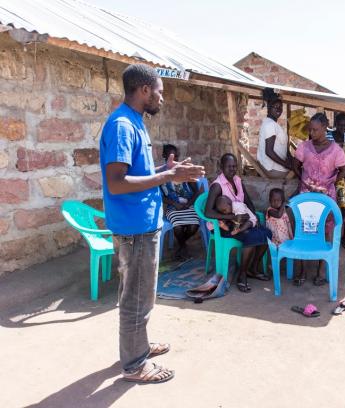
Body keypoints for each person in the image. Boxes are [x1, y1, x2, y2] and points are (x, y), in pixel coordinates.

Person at [100, 64, 205, 384]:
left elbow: (136, 172)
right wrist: (168, 176)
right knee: (135, 297)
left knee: (141, 293)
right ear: (144, 90)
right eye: (160, 91)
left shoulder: (134, 122)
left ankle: (139, 346)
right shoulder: (121, 125)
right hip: (134, 228)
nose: (163, 98)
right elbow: (116, 183)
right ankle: (134, 365)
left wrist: (164, 168)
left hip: (142, 223)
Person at [293, 113, 345, 286]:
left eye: (316, 130)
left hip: (326, 197)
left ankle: (320, 270)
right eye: (310, 129)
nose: (312, 132)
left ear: (325, 128)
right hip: (306, 196)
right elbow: (296, 165)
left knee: (325, 231)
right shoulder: (304, 146)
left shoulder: (336, 150)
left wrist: (331, 181)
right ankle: (301, 270)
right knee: (303, 229)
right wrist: (303, 180)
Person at [205, 153, 272, 293]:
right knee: (250, 236)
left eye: (234, 166)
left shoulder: (237, 180)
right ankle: (242, 274)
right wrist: (230, 217)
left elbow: (247, 201)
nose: (232, 169)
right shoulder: (217, 186)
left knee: (267, 233)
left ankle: (253, 268)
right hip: (223, 226)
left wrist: (254, 216)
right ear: (221, 167)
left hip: (240, 222)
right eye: (229, 166)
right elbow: (208, 213)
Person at [160, 144, 203, 260]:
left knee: (194, 226)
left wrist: (189, 204)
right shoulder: (160, 173)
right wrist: (174, 204)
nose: (175, 159)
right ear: (164, 156)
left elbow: (197, 191)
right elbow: (160, 197)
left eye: (177, 156)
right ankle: (183, 247)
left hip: (188, 205)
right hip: (173, 207)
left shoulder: (184, 171)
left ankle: (181, 247)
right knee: (177, 227)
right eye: (172, 156)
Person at [328, 113, 345, 249]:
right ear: (335, 124)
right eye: (340, 124)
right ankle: (335, 238)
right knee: (341, 207)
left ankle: (343, 238)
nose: (343, 127)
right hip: (335, 176)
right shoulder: (328, 136)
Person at [257, 88, 293, 178]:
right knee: (302, 174)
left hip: (277, 166)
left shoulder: (273, 124)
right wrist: (286, 164)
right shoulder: (270, 125)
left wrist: (291, 160)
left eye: (280, 107)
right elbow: (269, 151)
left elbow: (284, 148)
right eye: (275, 107)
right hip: (272, 168)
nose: (279, 110)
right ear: (269, 107)